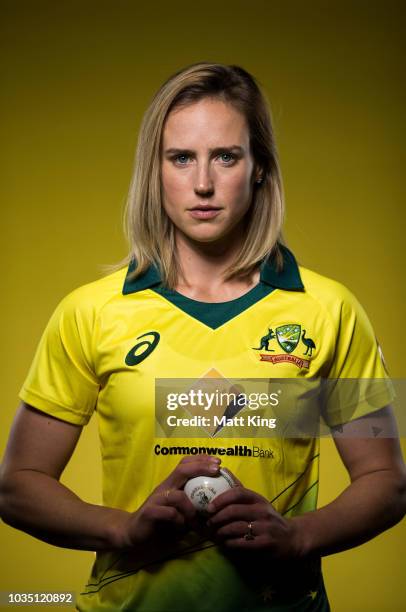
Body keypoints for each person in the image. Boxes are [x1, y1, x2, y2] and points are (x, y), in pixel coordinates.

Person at [0, 62, 405, 612]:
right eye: (181, 157)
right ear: (155, 169)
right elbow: (18, 485)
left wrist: (298, 537)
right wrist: (124, 530)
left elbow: (386, 482)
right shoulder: (90, 312)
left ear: (259, 167)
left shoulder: (330, 309)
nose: (204, 183)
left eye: (227, 156)